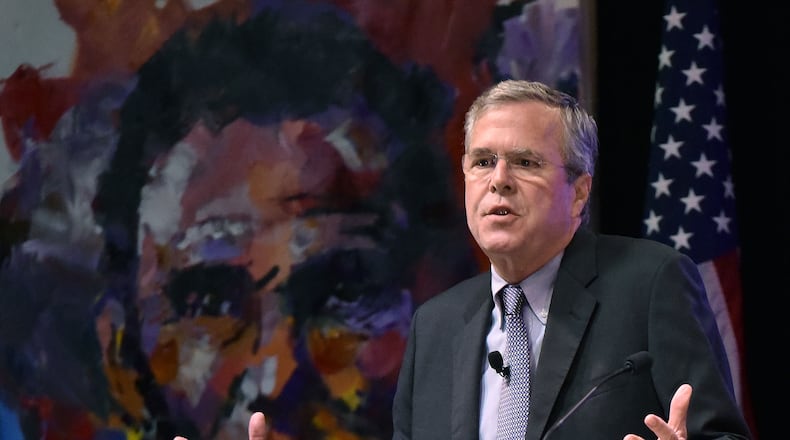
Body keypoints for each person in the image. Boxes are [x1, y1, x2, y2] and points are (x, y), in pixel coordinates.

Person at [176, 80, 752, 439]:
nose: (497, 181)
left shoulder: (648, 283)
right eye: (481, 162)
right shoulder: (438, 324)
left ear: (578, 192)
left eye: (524, 162)